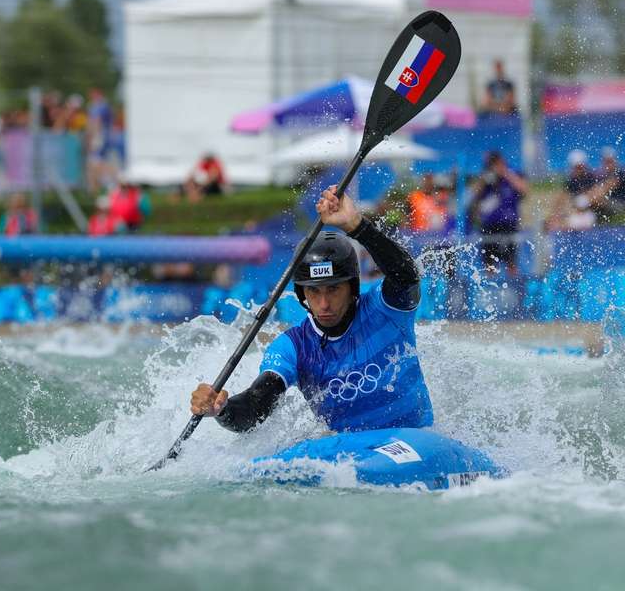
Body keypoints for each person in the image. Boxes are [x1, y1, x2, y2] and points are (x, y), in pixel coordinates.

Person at [190, 186, 433, 434]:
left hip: (417, 443)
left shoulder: (385, 311)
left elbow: (407, 277)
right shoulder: (293, 347)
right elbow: (256, 404)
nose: (324, 304)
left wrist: (356, 226)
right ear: (302, 294)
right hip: (352, 457)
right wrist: (222, 409)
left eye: (334, 289)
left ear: (352, 288)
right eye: (314, 291)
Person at [470, 151, 527, 275]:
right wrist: (485, 179)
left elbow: (524, 190)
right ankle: (490, 290)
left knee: (511, 263)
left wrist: (505, 173)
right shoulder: (486, 179)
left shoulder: (511, 175)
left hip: (509, 226)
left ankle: (514, 290)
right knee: (489, 264)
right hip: (489, 227)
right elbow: (473, 195)